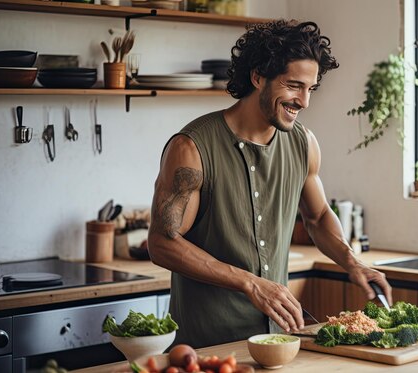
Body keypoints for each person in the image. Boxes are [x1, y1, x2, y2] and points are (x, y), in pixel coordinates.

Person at [148, 19, 393, 348]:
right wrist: (251, 283)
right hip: (208, 346)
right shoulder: (191, 148)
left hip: (278, 342)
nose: (304, 101)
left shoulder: (304, 145)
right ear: (257, 76)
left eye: (311, 89)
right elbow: (163, 243)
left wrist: (352, 262)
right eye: (294, 85)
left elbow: (318, 218)